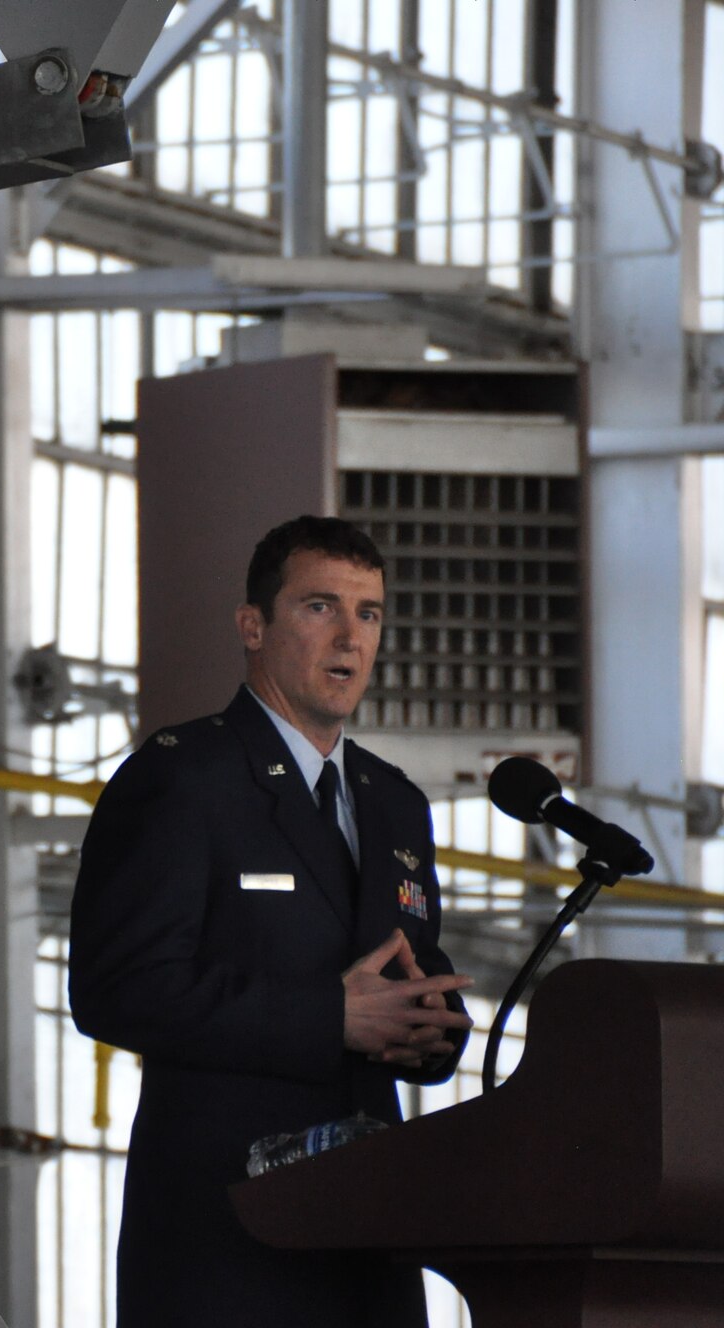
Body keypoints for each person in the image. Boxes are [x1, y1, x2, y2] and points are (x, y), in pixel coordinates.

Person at [68, 515, 474, 1328]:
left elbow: (408, 975)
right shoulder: (186, 778)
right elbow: (115, 990)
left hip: (365, 1242)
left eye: (368, 613)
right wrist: (333, 1018)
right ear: (253, 626)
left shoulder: (394, 802)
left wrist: (433, 1032)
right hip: (226, 1243)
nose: (349, 637)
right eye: (320, 606)